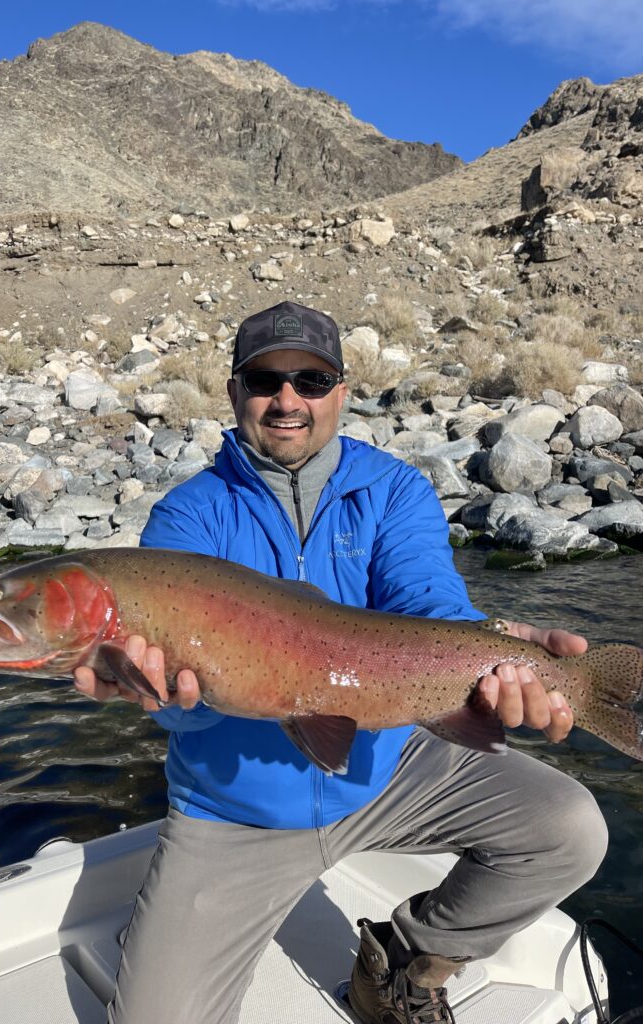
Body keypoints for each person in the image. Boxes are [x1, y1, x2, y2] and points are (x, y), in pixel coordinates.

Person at [74, 301, 606, 1024]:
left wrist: (501, 649)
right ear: (234, 393)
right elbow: (181, 716)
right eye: (265, 379)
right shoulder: (187, 520)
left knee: (570, 827)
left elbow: (428, 605)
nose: (287, 399)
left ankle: (407, 960)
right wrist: (163, 696)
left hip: (387, 766)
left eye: (311, 379)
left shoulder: (394, 490)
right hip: (236, 813)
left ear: (341, 393)